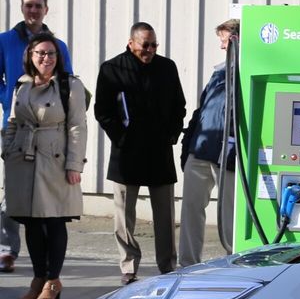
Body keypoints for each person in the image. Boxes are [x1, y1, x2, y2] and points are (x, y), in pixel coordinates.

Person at [94, 22, 185, 284]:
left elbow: (179, 104)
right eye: (145, 45)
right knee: (124, 215)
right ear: (131, 43)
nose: (150, 50)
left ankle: (168, 266)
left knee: (165, 215)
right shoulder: (112, 69)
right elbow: (103, 111)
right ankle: (128, 267)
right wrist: (121, 138)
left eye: (154, 44)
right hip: (127, 153)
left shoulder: (167, 67)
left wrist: (172, 133)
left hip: (159, 151)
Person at [1, 33, 87, 299]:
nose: (46, 58)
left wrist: (74, 164)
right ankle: (38, 278)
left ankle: (53, 280)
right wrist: (7, 149)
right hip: (23, 160)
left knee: (54, 219)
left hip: (55, 158)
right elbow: (13, 120)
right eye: (40, 53)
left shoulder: (69, 86)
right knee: (32, 222)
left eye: (51, 53)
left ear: (58, 57)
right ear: (30, 55)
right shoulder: (22, 85)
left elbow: (77, 127)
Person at [0, 0, 72, 274]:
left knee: (47, 193)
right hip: (16, 124)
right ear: (22, 8)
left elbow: (66, 83)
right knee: (13, 190)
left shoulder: (58, 45)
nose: (33, 10)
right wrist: (10, 97)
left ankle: (46, 263)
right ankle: (7, 249)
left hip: (50, 130)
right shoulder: (5, 41)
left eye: (38, 6)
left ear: (46, 9)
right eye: (28, 5)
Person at [179, 19, 239, 266]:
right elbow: (201, 110)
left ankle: (234, 263)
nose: (222, 47)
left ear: (236, 40)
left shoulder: (249, 72)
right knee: (191, 210)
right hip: (201, 150)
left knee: (229, 216)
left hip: (229, 155)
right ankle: (187, 264)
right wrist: (187, 147)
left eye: (225, 41)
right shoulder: (218, 73)